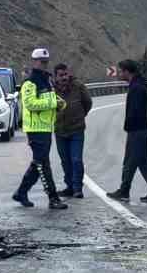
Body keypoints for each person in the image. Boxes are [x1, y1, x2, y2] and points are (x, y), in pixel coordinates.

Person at [14, 47, 68, 210]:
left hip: (46, 128)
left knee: (39, 163)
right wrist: (53, 103)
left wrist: (60, 103)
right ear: (34, 62)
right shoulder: (30, 82)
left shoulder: (47, 80)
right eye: (41, 62)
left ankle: (21, 192)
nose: (44, 64)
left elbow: (52, 98)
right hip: (35, 129)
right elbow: (30, 103)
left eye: (46, 62)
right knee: (43, 164)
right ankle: (53, 197)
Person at [107, 59, 147, 203]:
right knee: (144, 161)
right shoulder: (139, 84)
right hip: (144, 130)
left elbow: (136, 112)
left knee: (130, 162)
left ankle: (124, 191)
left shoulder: (137, 87)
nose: (118, 74)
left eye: (120, 71)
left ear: (127, 71)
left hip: (139, 130)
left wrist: (129, 126)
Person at [52, 62, 93, 199]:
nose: (64, 77)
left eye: (66, 74)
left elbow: (88, 103)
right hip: (59, 130)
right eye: (61, 75)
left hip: (76, 129)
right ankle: (69, 186)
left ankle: (77, 188)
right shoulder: (51, 90)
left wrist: (80, 116)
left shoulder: (78, 86)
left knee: (76, 159)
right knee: (65, 160)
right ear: (56, 77)